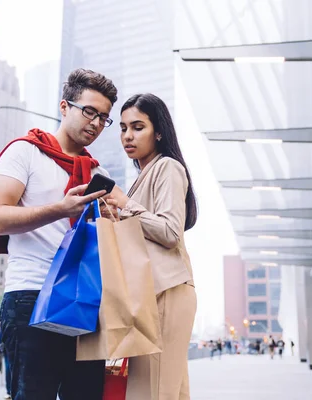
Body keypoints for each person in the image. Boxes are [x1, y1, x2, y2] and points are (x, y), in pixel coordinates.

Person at [0, 68, 118, 400]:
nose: (96, 123)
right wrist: (60, 209)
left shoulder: (98, 173)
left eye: (104, 118)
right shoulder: (25, 152)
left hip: (86, 299)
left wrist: (111, 220)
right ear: (64, 107)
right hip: (31, 294)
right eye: (89, 111)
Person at [105, 93, 198, 400]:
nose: (127, 136)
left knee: (152, 391)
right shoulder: (144, 175)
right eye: (122, 128)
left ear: (158, 131)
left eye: (137, 127)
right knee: (170, 389)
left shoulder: (167, 167)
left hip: (166, 292)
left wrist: (125, 205)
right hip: (154, 292)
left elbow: (170, 231)